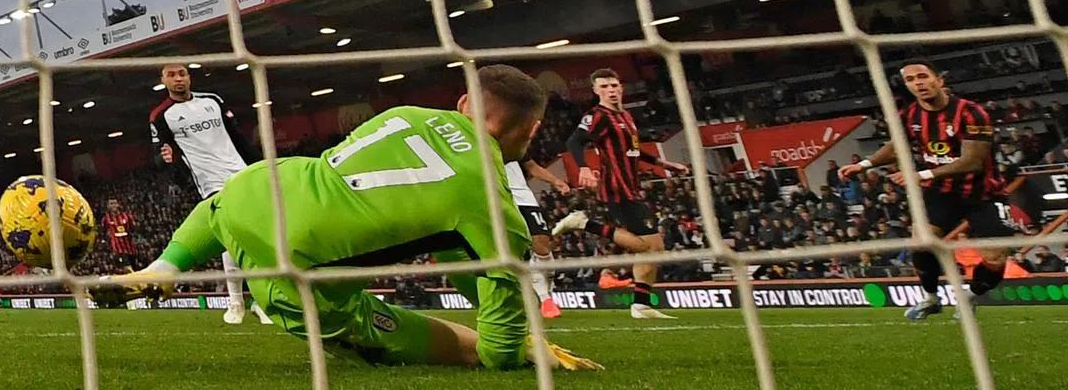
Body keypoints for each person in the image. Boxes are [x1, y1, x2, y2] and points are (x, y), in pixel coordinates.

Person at [96, 64, 600, 372]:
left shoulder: (405, 113)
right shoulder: (492, 204)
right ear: (532, 130)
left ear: (464, 102)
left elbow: (448, 238)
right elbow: (497, 349)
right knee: (455, 345)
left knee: (229, 201)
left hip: (258, 188)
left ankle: (163, 268)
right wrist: (517, 344)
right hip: (297, 276)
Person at [838, 59, 1013, 321]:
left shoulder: (971, 113)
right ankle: (931, 298)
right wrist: (863, 165)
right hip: (939, 191)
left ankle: (970, 295)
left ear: (939, 80)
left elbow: (973, 161)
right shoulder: (909, 115)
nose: (918, 83)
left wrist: (920, 175)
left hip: (984, 193)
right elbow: (896, 147)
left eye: (922, 76)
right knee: (921, 244)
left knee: (996, 258)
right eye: (910, 80)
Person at [554, 68, 688, 319]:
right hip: (616, 187)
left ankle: (641, 305)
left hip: (631, 186)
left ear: (621, 88)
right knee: (652, 246)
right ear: (595, 90)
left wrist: (664, 164)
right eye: (604, 87)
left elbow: (634, 150)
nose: (611, 91)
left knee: (651, 248)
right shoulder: (597, 115)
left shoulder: (625, 116)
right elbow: (574, 141)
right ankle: (584, 223)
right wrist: (583, 167)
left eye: (614, 85)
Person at [149, 62, 272, 325]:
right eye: (171, 75)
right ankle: (242, 302)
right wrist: (165, 158)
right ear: (163, 81)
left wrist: (261, 166)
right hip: (211, 183)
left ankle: (249, 302)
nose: (178, 79)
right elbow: (158, 156)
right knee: (233, 236)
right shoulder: (160, 115)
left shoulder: (213, 100)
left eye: (182, 74)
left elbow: (237, 137)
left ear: (189, 77)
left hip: (242, 173)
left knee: (249, 236)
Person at [507, 156, 572, 319]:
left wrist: (555, 181)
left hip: (522, 196)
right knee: (520, 251)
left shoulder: (507, 142)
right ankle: (545, 299)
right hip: (498, 200)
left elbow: (531, 165)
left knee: (542, 246)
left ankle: (547, 289)